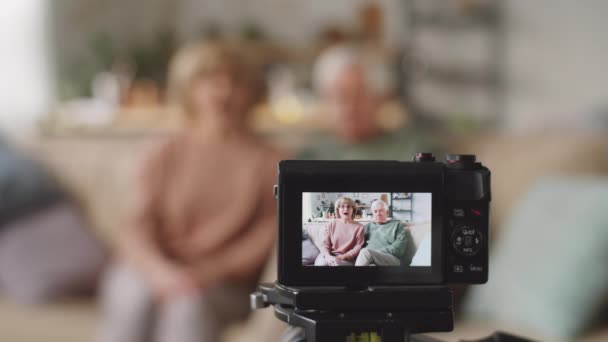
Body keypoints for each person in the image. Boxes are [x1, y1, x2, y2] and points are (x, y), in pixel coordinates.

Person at [98, 41, 283, 342]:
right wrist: (161, 272)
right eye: (209, 80)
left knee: (187, 308)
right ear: (189, 90)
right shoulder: (163, 152)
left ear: (250, 91)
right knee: (134, 299)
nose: (223, 91)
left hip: (225, 283)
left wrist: (208, 273)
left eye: (234, 81)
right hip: (152, 267)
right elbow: (136, 226)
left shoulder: (272, 160)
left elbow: (270, 234)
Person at [298, 43, 439, 161]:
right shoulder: (311, 156)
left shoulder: (415, 152)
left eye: (359, 95)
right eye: (341, 96)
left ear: (381, 98)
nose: (350, 107)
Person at [315, 197, 365, 266]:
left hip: (347, 258)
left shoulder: (360, 227)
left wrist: (343, 257)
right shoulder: (331, 224)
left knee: (336, 265)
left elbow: (358, 247)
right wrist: (328, 256)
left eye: (348, 206)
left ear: (353, 210)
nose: (346, 209)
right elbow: (325, 244)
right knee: (322, 264)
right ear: (338, 210)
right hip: (329, 254)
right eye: (342, 206)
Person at [355, 200, 407, 266]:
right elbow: (358, 244)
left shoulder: (397, 225)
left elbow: (400, 248)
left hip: (391, 258)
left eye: (381, 210)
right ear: (372, 213)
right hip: (370, 258)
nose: (378, 213)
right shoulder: (367, 227)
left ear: (387, 212)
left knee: (365, 252)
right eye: (375, 211)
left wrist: (376, 252)